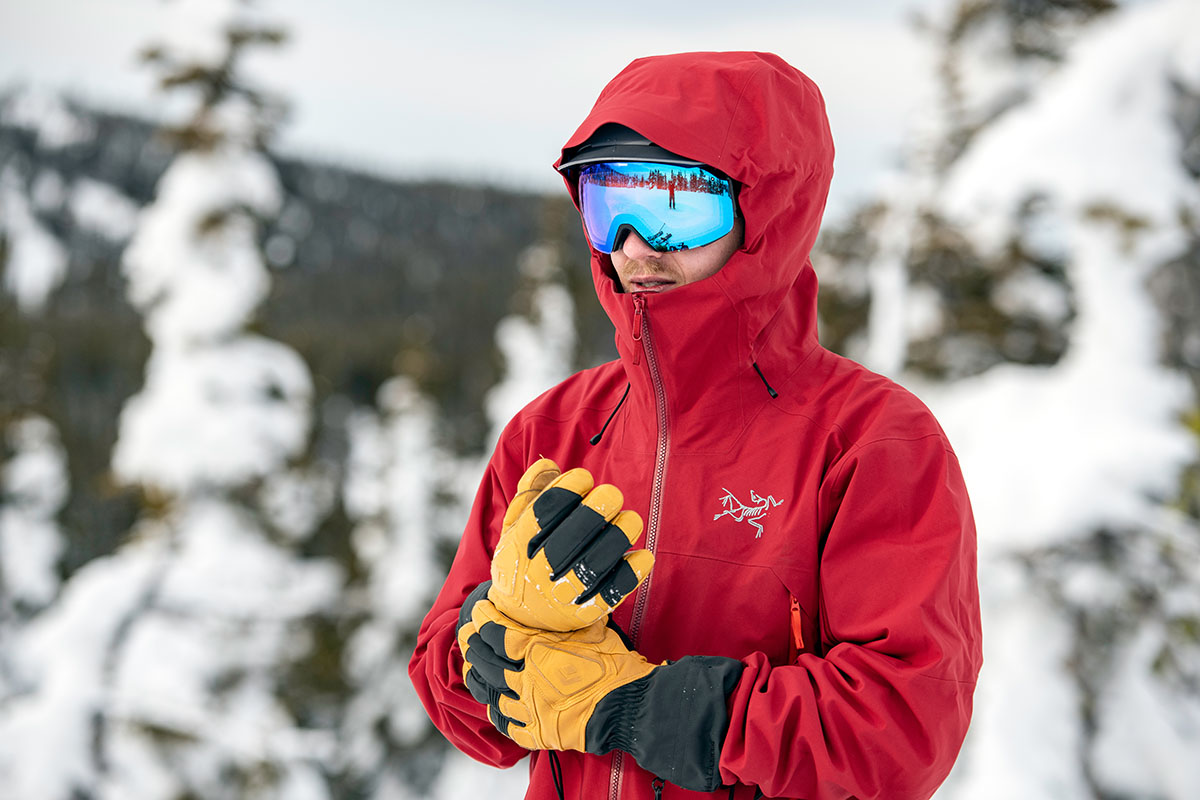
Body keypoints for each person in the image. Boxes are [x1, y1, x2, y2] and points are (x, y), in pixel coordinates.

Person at [409, 51, 982, 800]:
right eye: (609, 205)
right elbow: (454, 704)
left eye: (677, 208)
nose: (636, 247)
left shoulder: (869, 441)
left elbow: (904, 726)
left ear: (767, 214)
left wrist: (639, 710)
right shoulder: (552, 430)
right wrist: (503, 627)